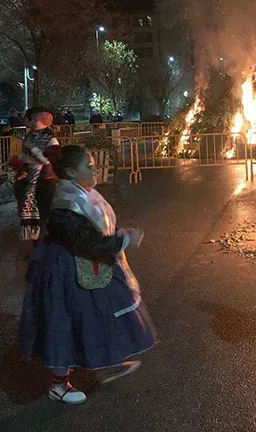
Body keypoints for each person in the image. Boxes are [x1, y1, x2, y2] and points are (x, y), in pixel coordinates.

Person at [19, 145, 157, 404]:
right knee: (66, 322)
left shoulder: (84, 193)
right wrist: (124, 240)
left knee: (101, 314)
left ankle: (104, 360)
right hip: (67, 272)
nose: (95, 170)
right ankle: (59, 384)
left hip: (90, 266)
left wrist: (119, 235)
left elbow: (95, 233)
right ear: (71, 171)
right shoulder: (65, 203)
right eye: (89, 166)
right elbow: (86, 241)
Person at [10, 107, 61, 241]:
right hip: (32, 180)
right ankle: (35, 245)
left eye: (28, 117)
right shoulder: (31, 135)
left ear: (35, 118)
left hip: (44, 180)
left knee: (43, 215)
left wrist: (26, 161)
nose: (25, 120)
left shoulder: (49, 137)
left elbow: (52, 158)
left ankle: (43, 245)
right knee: (36, 216)